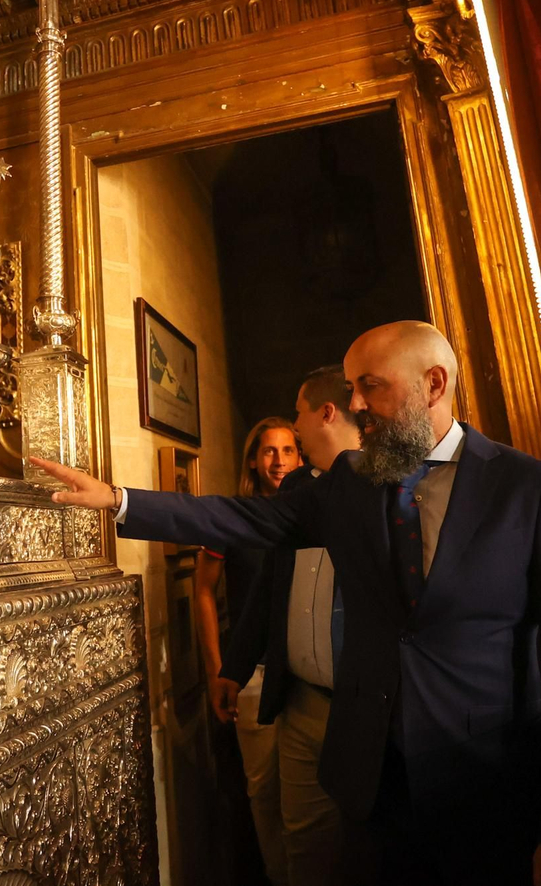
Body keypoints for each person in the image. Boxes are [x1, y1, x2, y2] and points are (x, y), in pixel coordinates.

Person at [33, 321, 541, 886]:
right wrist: (120, 500)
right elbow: (245, 518)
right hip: (371, 793)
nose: (355, 405)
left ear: (434, 384)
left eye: (371, 386)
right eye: (352, 387)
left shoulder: (528, 488)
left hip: (488, 794)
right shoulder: (350, 480)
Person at [214, 366, 360, 886]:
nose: (293, 433)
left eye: (297, 418)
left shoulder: (383, 484)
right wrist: (231, 666)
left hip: (362, 699)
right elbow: (265, 591)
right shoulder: (294, 493)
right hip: (291, 692)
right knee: (301, 839)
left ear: (326, 414)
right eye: (271, 449)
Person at [195, 417, 301, 886]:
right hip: (253, 675)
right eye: (269, 451)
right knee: (264, 792)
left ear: (300, 456)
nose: (279, 460)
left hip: (308, 675)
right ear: (254, 461)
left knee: (311, 794)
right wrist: (216, 669)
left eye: (287, 450)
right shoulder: (235, 516)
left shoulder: (311, 511)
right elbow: (202, 590)